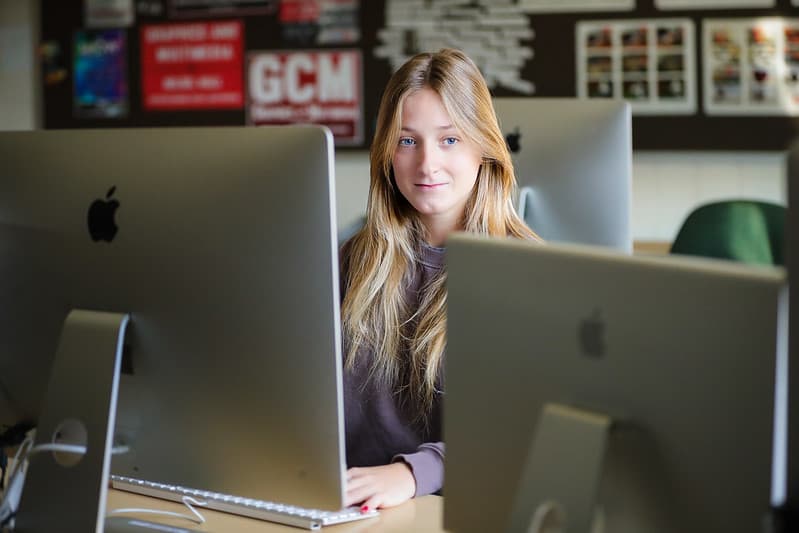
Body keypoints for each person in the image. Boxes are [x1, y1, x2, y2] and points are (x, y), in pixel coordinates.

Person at [339, 48, 539, 512]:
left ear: (484, 145)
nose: (426, 164)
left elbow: (520, 430)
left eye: (449, 140)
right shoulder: (353, 260)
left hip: (454, 509)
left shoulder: (526, 272)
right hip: (347, 508)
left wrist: (411, 473)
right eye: (407, 141)